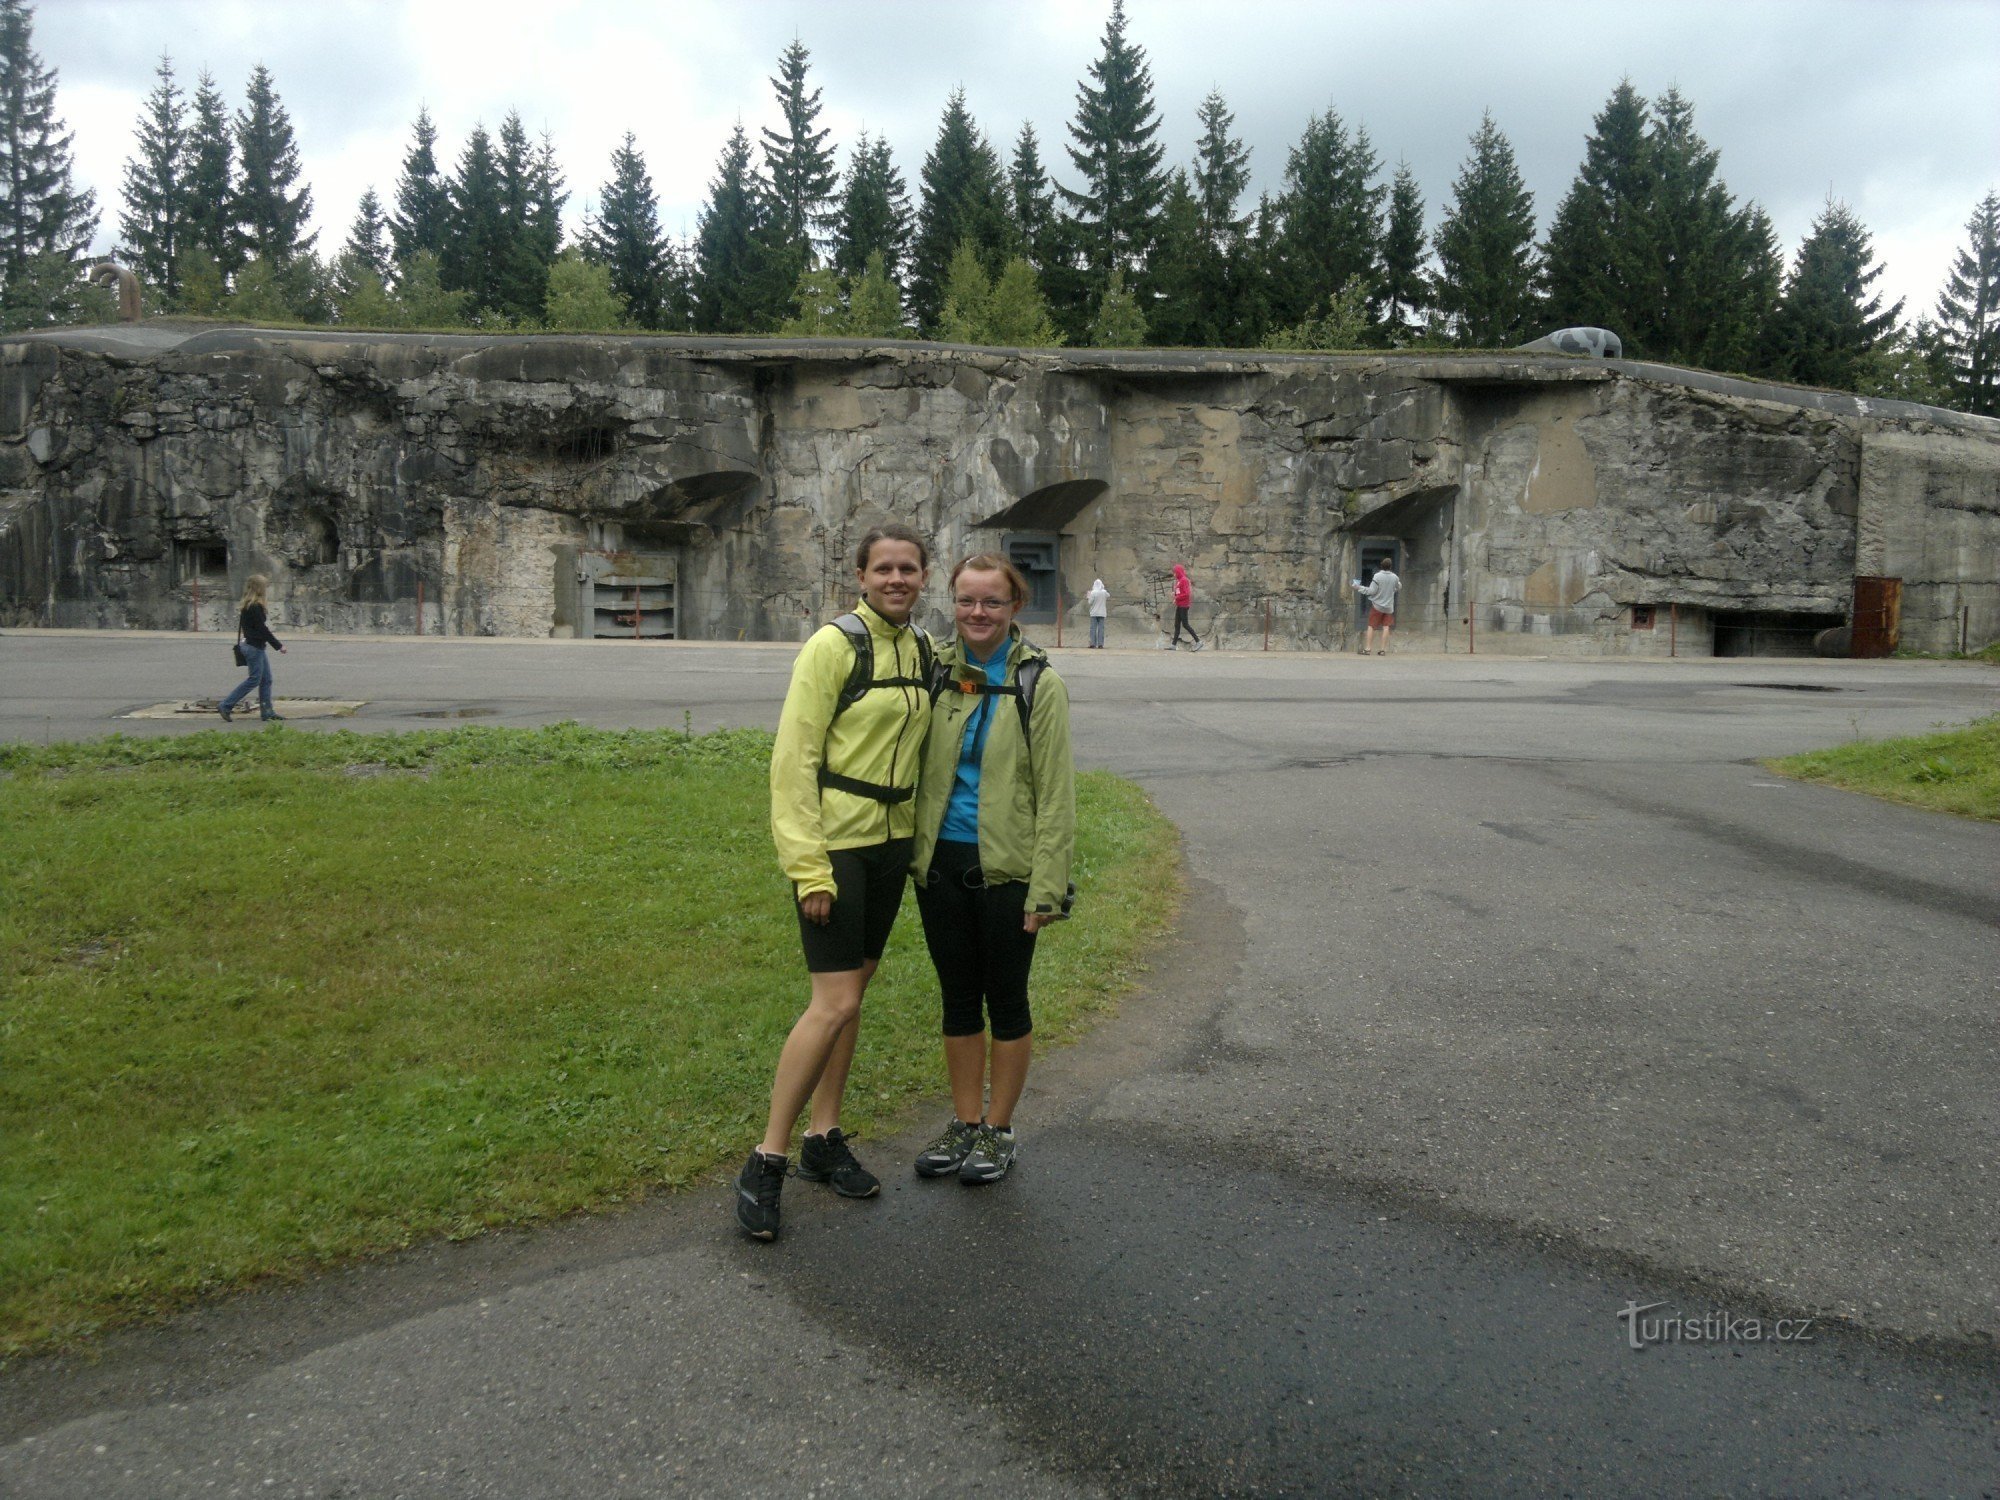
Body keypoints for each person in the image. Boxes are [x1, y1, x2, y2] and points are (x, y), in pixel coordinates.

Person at [736, 524, 936, 1241]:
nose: (896, 579)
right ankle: (767, 1157)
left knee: (852, 1002)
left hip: (891, 849)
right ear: (859, 575)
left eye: (908, 568)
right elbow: (793, 762)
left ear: (923, 576)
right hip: (838, 849)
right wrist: (809, 867)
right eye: (883, 568)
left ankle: (824, 1138)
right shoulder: (833, 647)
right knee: (834, 1001)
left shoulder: (922, 651)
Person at [908, 554, 1075, 1186]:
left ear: (1014, 608)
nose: (979, 614)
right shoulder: (938, 671)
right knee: (957, 1000)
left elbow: (1057, 795)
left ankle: (999, 1129)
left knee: (1005, 1000)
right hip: (942, 865)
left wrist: (1048, 888)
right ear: (953, 603)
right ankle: (965, 1121)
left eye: (993, 603)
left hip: (1008, 870)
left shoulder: (1038, 683)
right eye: (968, 601)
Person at [218, 573, 286, 722]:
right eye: (265, 587)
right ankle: (226, 705)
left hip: (253, 645)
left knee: (266, 679)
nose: (267, 590)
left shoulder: (247, 605)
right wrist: (278, 645)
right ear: (259, 588)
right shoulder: (255, 607)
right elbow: (263, 630)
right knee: (254, 679)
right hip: (254, 648)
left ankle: (267, 711)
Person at [1357, 560, 1401, 655]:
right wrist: (1392, 589)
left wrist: (1359, 588)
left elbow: (1371, 591)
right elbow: (1399, 586)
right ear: (1390, 566)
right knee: (1386, 627)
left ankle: (1368, 649)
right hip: (1389, 607)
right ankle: (1382, 650)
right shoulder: (1395, 577)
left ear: (1381, 566)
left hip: (1377, 606)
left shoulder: (1377, 576)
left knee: (1371, 626)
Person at [1170, 563, 1203, 650]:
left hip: (1184, 606)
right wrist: (1175, 597)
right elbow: (1180, 592)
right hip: (1180, 605)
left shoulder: (1184, 580)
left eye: (1175, 572)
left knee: (1185, 625)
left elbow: (1187, 594)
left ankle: (1198, 641)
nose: (1174, 574)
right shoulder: (1179, 581)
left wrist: (1176, 597)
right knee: (1177, 625)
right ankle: (1173, 645)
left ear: (1178, 572)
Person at [1086, 577, 1109, 648]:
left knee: (1093, 628)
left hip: (1094, 613)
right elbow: (1108, 595)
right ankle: (1100, 644)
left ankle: (1092, 643)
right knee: (1101, 629)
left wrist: (1088, 596)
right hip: (1102, 613)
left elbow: (1090, 602)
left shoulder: (1093, 592)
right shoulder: (1104, 592)